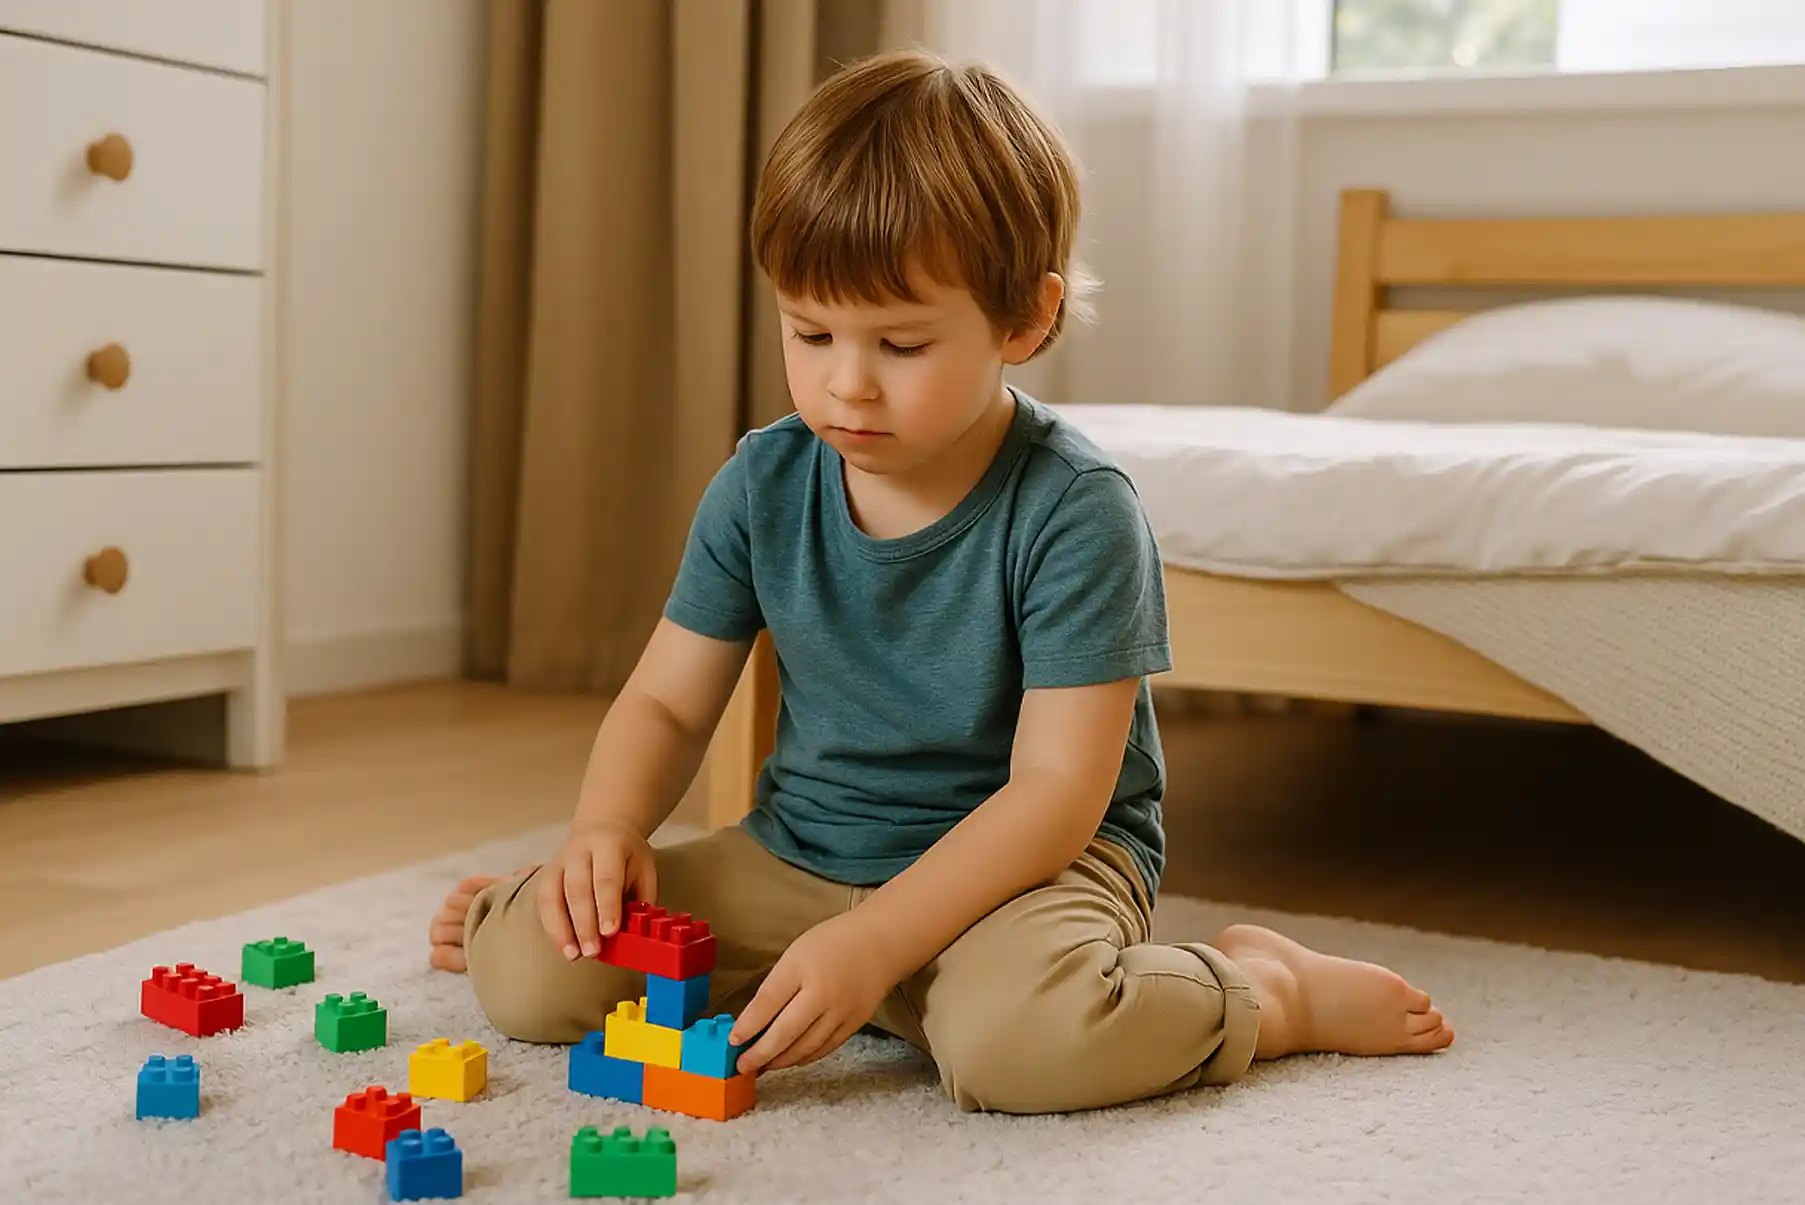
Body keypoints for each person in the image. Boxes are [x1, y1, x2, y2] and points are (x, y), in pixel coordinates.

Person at [428, 47, 1452, 1115]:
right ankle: (568, 918)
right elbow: (667, 701)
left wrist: (875, 939)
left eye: (901, 343)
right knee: (533, 971)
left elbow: (1055, 799)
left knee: (1023, 1046)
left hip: (1024, 876)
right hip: (801, 856)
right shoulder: (761, 484)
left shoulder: (1076, 510)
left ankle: (1264, 989)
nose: (847, 383)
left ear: (1024, 320)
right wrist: (604, 829)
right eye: (809, 332)